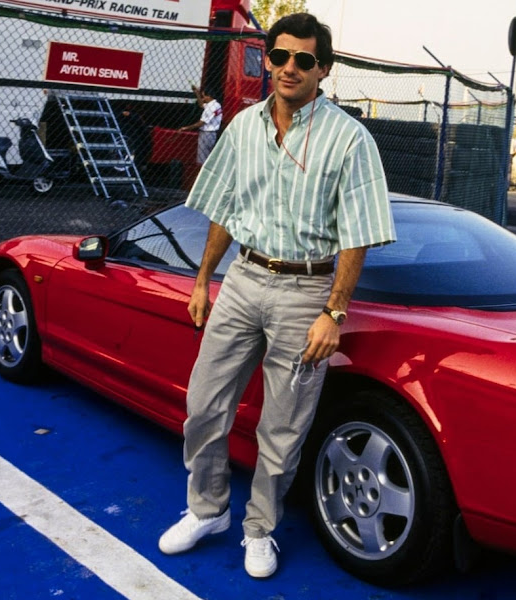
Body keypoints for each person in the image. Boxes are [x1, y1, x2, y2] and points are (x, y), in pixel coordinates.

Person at [158, 12, 396, 579]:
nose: (291, 68)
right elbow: (224, 208)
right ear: (267, 60)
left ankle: (258, 528)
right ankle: (207, 509)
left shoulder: (350, 140)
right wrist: (201, 279)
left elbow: (357, 234)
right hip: (242, 280)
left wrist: (332, 311)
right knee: (202, 406)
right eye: (281, 56)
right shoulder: (242, 127)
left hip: (306, 290)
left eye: (305, 60)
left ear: (324, 70)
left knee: (282, 427)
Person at [178, 85, 222, 164]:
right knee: (209, 156)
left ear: (209, 96)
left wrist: (186, 128)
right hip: (212, 134)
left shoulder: (210, 108)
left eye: (204, 96)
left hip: (206, 134)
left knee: (202, 158)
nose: (203, 99)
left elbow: (201, 123)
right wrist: (197, 93)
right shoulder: (216, 105)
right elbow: (201, 105)